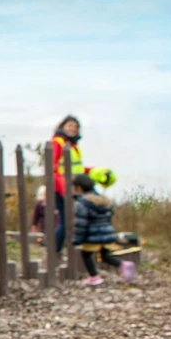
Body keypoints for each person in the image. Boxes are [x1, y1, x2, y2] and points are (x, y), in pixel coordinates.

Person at [72, 173, 123, 287]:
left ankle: (94, 277)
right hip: (107, 234)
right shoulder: (103, 201)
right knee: (105, 256)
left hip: (92, 235)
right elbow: (109, 217)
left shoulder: (82, 203)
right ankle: (123, 265)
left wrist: (78, 239)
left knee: (86, 254)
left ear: (79, 188)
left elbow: (81, 223)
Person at [51, 115, 91, 254]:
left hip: (76, 187)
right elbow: (53, 168)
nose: (73, 129)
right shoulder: (59, 142)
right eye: (70, 125)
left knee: (78, 218)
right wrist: (64, 188)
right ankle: (54, 250)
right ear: (62, 126)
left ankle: (74, 249)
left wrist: (92, 172)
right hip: (62, 188)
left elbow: (77, 168)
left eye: (75, 126)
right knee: (66, 220)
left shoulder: (73, 145)